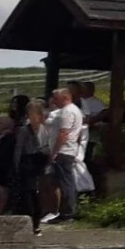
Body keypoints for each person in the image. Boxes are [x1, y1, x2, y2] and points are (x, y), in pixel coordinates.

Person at [42, 88, 88, 225]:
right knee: (64, 181)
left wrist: (55, 152)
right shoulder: (75, 110)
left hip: (64, 151)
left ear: (65, 97)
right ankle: (66, 211)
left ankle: (67, 213)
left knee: (65, 182)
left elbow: (63, 133)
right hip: (69, 149)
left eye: (56, 98)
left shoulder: (67, 112)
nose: (54, 101)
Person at [9, 97, 48, 220]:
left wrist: (15, 166)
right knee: (34, 188)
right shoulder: (44, 128)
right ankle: (35, 212)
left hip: (30, 160)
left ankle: (32, 212)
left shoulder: (25, 130)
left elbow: (19, 148)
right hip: (38, 159)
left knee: (29, 189)